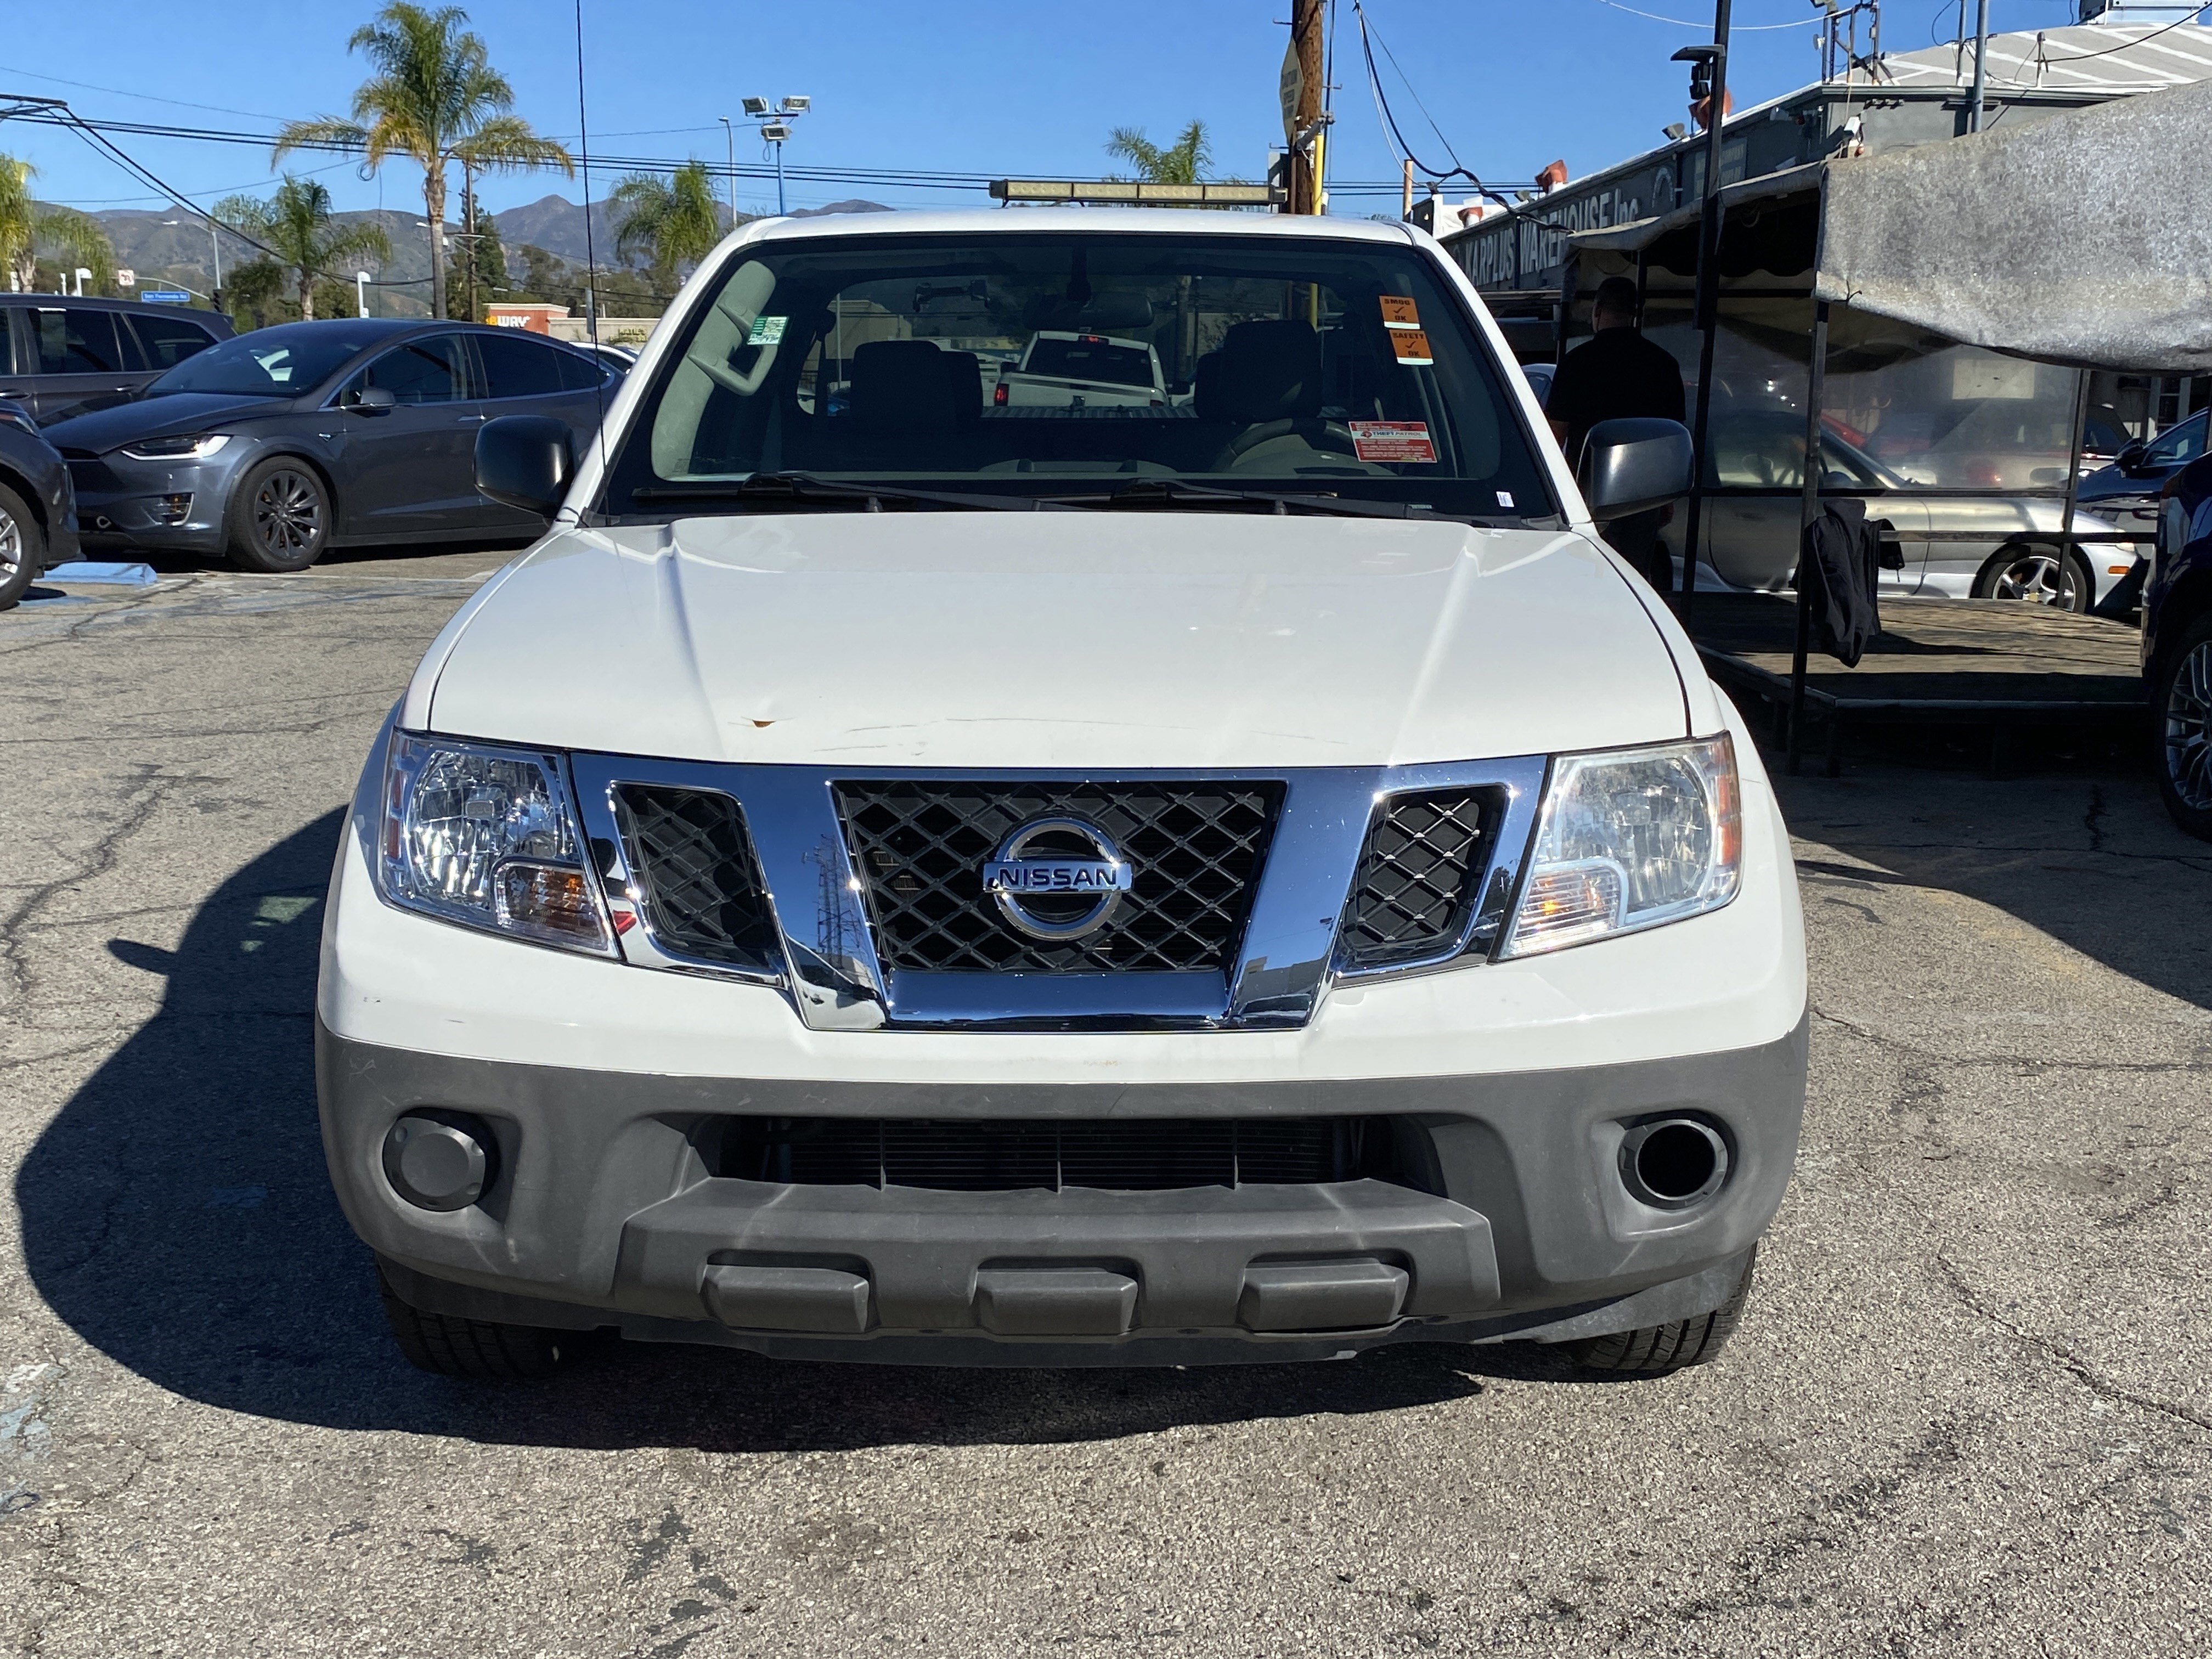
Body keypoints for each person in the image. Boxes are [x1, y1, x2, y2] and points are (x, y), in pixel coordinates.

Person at [1545, 275, 1687, 589]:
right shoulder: (1663, 365)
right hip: (1644, 495)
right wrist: (1665, 500)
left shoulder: (1577, 363)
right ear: (1635, 313)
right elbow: (1671, 438)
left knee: (1587, 579)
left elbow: (1554, 436)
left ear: (1597, 311)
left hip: (1587, 494)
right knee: (1633, 582)